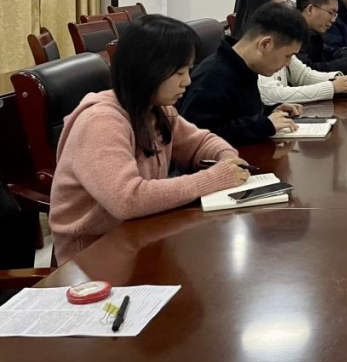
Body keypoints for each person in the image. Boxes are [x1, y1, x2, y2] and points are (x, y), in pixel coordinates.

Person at [49, 16, 250, 263]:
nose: (187, 81)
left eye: (188, 70)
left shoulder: (156, 109)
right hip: (92, 258)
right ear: (149, 70)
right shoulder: (100, 122)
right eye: (180, 72)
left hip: (141, 235)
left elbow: (200, 143)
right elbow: (127, 199)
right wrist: (212, 179)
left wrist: (226, 158)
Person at [179, 2, 307, 145]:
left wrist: (270, 112)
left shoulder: (243, 66)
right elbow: (199, 136)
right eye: (288, 56)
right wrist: (263, 125)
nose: (288, 63)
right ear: (265, 44)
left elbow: (237, 115)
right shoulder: (213, 77)